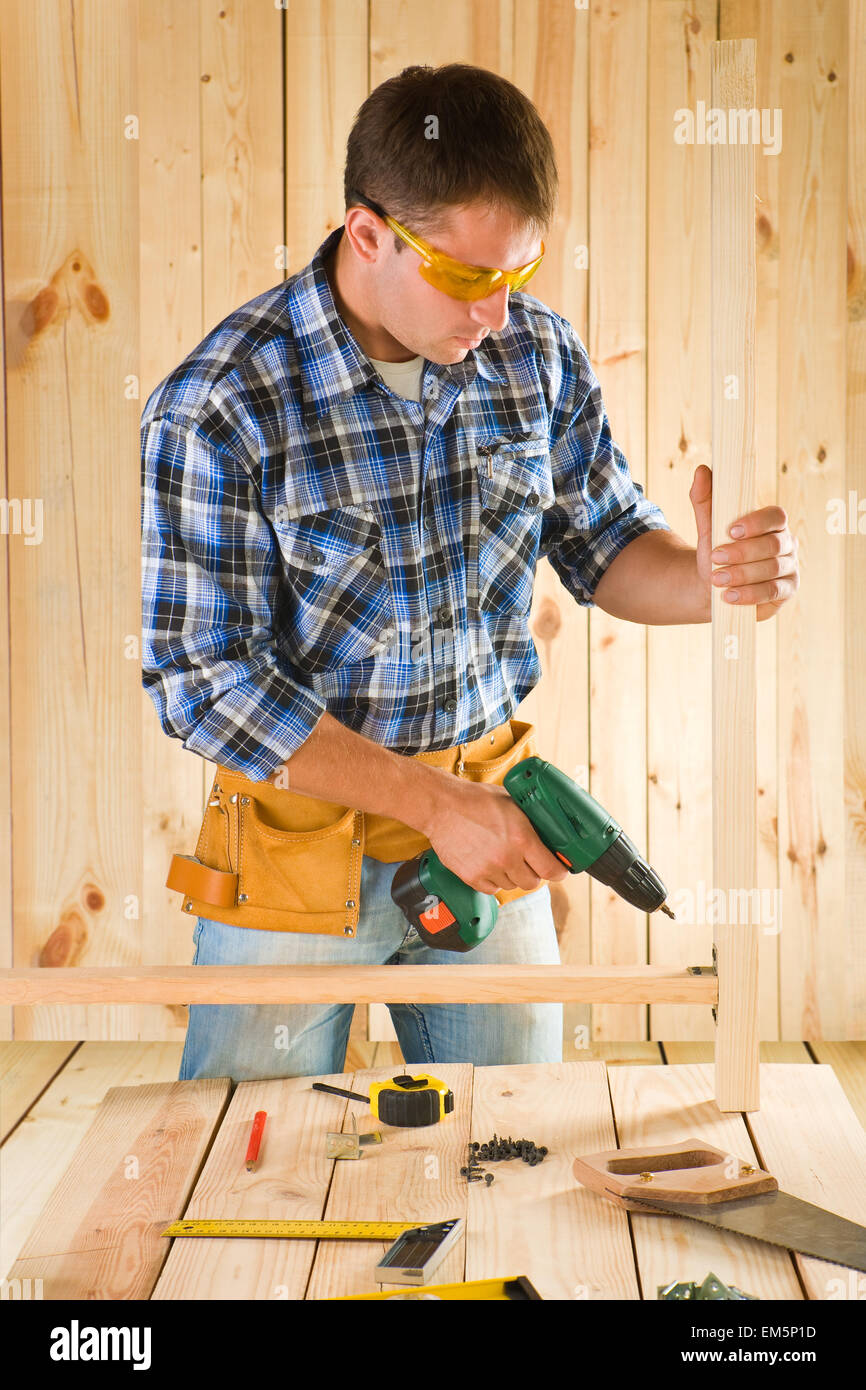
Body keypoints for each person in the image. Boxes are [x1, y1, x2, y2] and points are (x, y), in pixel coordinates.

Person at [140, 63, 799, 1084]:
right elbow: (201, 683)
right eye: (463, 277)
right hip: (295, 847)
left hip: (488, 834)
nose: (495, 314)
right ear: (368, 233)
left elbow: (609, 550)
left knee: (514, 1151)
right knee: (241, 1160)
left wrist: (709, 579)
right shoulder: (222, 402)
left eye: (517, 275)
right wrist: (429, 803)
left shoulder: (531, 355)